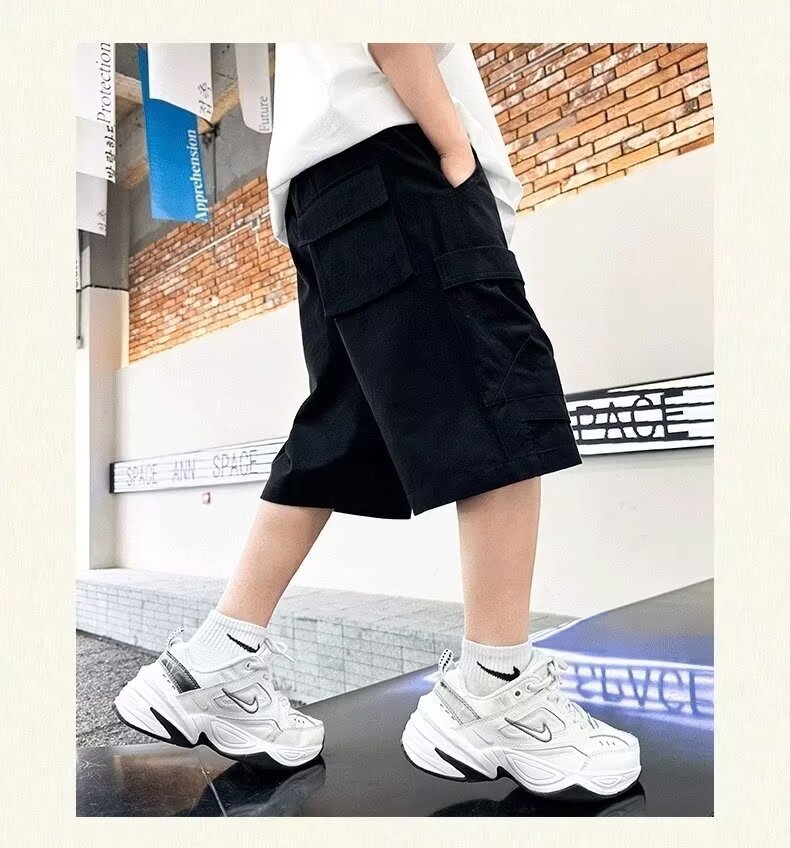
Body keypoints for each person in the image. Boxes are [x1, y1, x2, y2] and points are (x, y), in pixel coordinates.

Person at [115, 43, 641, 797]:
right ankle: (494, 690)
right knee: (504, 398)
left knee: (341, 428)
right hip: (398, 157)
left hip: (328, 191)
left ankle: (215, 660)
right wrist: (453, 145)